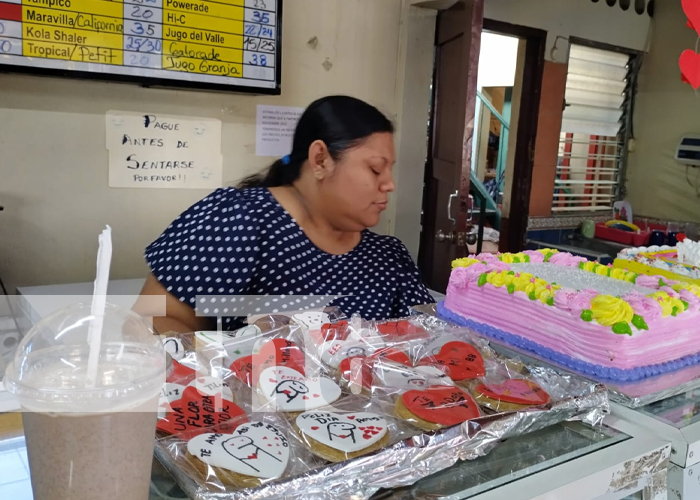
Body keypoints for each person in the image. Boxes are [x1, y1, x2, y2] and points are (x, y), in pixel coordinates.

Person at [134, 95, 434, 334]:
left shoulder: (387, 256)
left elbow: (426, 337)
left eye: (390, 170)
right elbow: (155, 319)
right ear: (320, 160)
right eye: (375, 169)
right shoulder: (238, 220)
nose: (389, 184)